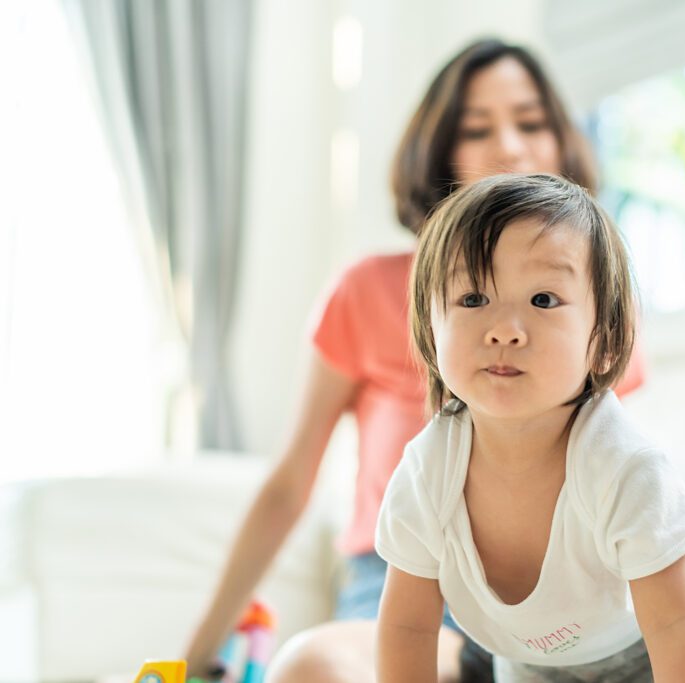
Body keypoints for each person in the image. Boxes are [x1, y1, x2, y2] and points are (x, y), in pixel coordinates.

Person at [183, 39, 644, 683]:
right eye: (476, 129)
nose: (509, 145)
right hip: (405, 590)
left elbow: (622, 475)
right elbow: (290, 485)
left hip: (565, 600)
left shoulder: (591, 307)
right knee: (314, 666)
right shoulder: (366, 290)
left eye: (530, 122)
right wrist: (187, 659)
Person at [375, 172, 685, 682]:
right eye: (472, 299)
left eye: (543, 300)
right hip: (524, 664)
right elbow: (407, 628)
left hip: (645, 658)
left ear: (604, 339)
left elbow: (677, 626)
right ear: (431, 329)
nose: (504, 331)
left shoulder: (623, 468)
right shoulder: (428, 471)